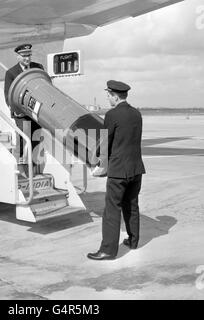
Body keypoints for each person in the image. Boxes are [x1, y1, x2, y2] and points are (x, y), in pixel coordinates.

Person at [87, 80, 146, 260]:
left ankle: (108, 250)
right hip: (136, 169)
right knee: (132, 206)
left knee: (112, 210)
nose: (107, 98)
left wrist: (95, 158)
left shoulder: (113, 115)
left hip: (119, 171)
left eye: (108, 96)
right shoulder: (137, 114)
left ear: (114, 96)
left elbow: (105, 142)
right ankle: (133, 241)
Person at [4, 44, 44, 175]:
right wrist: (16, 110)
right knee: (21, 141)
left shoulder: (38, 68)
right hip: (21, 114)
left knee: (36, 140)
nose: (27, 58)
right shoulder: (11, 73)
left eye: (29, 55)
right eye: (24, 56)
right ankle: (20, 169)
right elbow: (8, 96)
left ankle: (34, 169)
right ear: (18, 56)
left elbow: (46, 88)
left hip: (35, 114)